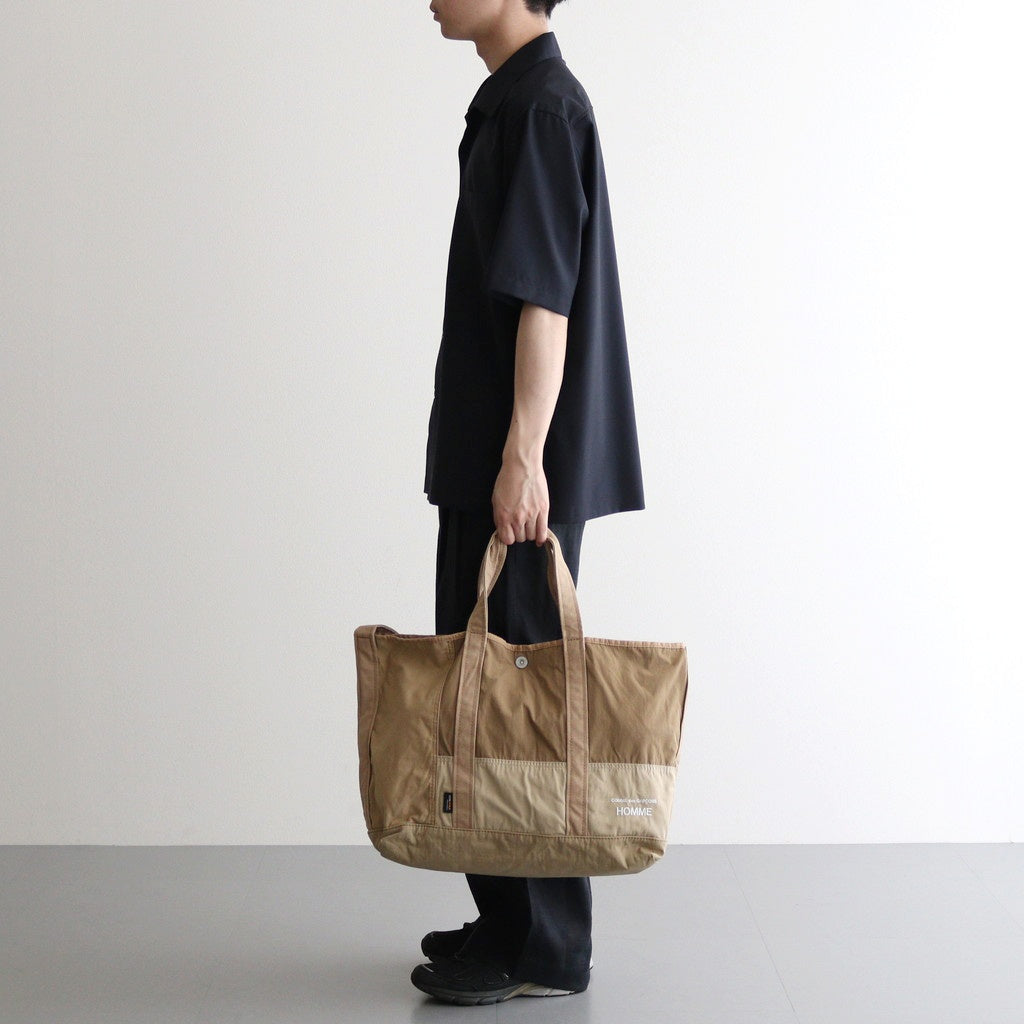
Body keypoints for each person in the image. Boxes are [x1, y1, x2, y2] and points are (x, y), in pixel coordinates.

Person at [411, 0, 644, 1005]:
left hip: (514, 465)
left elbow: (545, 297)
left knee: (524, 698)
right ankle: (508, 918)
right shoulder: (515, 99)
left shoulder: (542, 107)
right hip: (491, 454)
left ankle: (545, 945)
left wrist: (522, 456)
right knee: (489, 686)